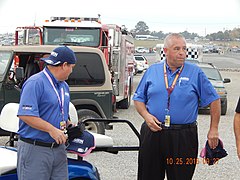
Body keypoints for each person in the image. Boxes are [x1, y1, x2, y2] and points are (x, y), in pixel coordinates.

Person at [133, 33, 221, 180]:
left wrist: (214, 129)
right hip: (153, 133)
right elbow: (138, 98)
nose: (182, 53)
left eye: (184, 49)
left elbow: (214, 100)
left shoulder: (195, 72)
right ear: (166, 51)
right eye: (177, 49)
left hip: (183, 137)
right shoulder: (152, 71)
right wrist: (146, 116)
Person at [17, 46, 76, 180]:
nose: (72, 71)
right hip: (36, 148)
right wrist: (51, 129)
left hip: (58, 149)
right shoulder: (35, 83)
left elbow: (60, 111)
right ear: (64, 65)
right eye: (71, 67)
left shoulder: (64, 86)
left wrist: (69, 124)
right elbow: (25, 115)